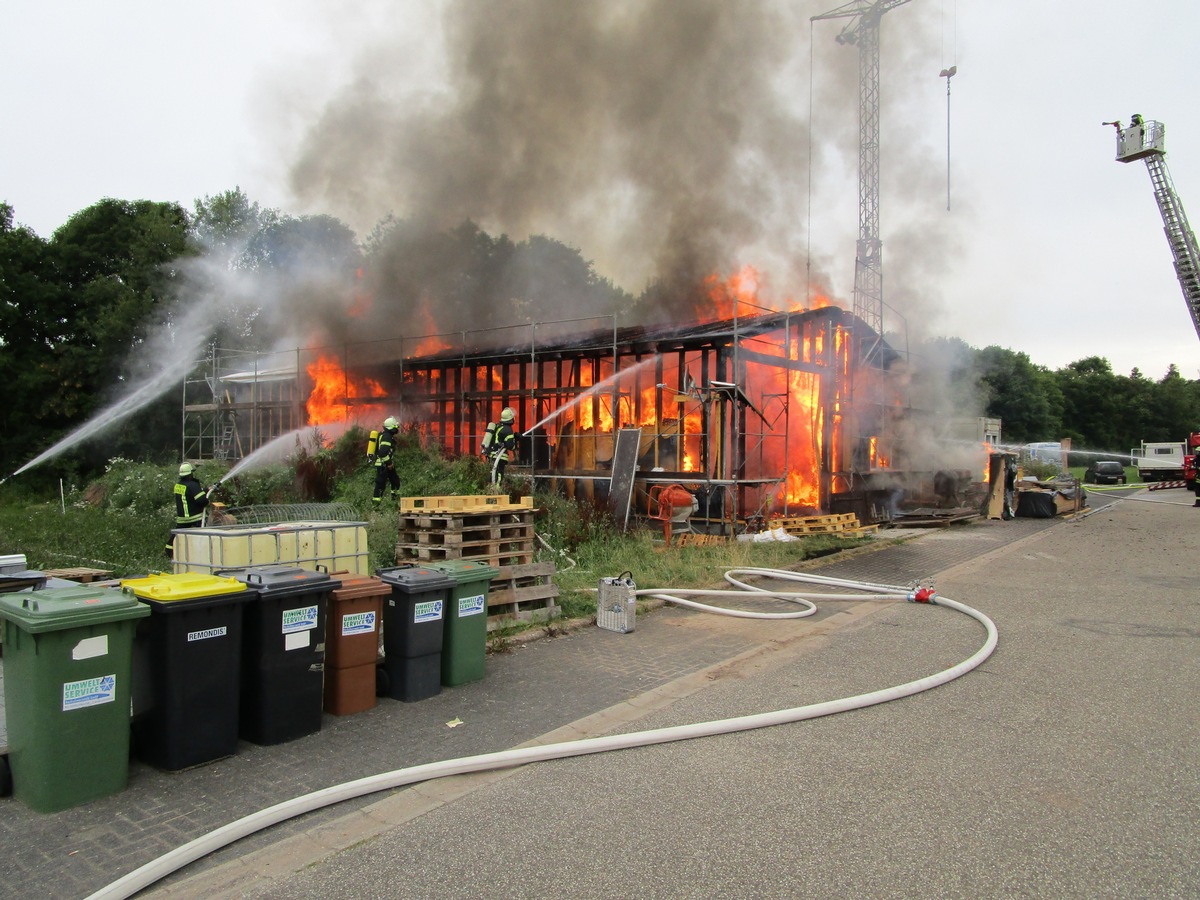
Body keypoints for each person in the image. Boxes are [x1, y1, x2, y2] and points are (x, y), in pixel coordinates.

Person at [166, 462, 211, 558]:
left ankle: (168, 551)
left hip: (182, 518)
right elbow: (200, 500)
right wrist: (207, 502)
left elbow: (190, 493)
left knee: (175, 535)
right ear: (190, 474)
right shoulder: (193, 485)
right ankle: (203, 553)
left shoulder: (178, 485)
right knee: (205, 535)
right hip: (195, 517)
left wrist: (206, 489)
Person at [481, 407, 517, 487]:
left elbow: (500, 439)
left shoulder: (498, 426)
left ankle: (491, 492)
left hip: (491, 455)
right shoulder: (508, 429)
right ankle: (497, 494)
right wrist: (516, 440)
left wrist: (514, 437)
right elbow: (511, 446)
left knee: (493, 475)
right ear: (511, 418)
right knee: (499, 477)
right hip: (499, 457)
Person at [372, 415, 401, 508]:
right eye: (395, 427)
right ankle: (375, 507)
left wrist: (389, 463)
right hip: (383, 465)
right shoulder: (386, 437)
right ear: (391, 428)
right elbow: (383, 452)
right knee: (380, 485)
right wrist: (389, 463)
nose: (397, 429)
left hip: (387, 464)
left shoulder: (386, 436)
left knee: (395, 481)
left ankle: (395, 502)